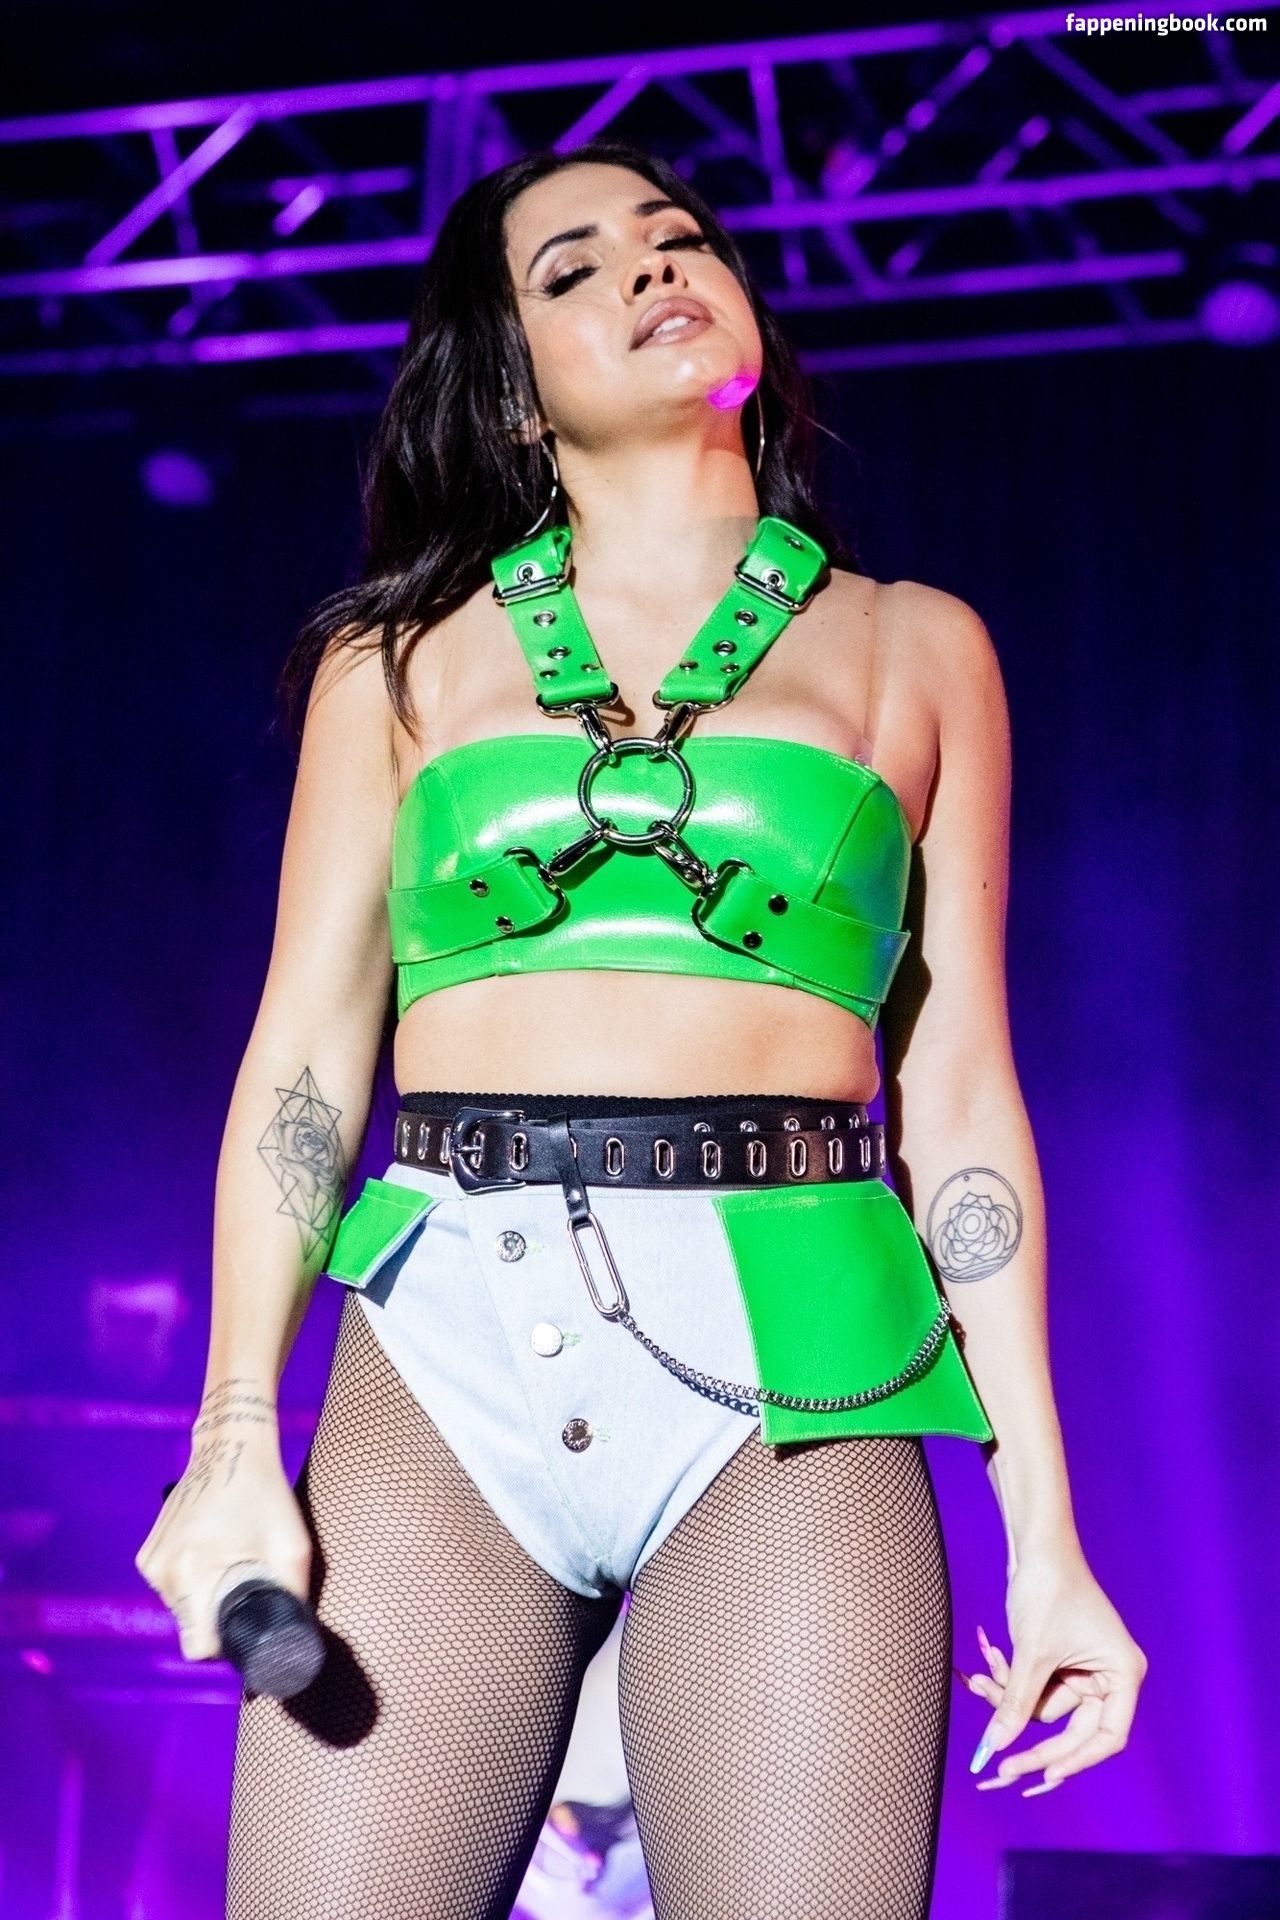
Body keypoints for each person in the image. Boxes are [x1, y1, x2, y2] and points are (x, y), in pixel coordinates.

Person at [133, 138, 1148, 1920]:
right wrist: (230, 1438)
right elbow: (302, 1057)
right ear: (514, 395)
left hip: (798, 1371)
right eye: (576, 268)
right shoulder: (397, 664)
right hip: (448, 1336)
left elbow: (964, 1098)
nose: (653, 269)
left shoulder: (917, 650)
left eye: (677, 239)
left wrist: (1046, 1535)